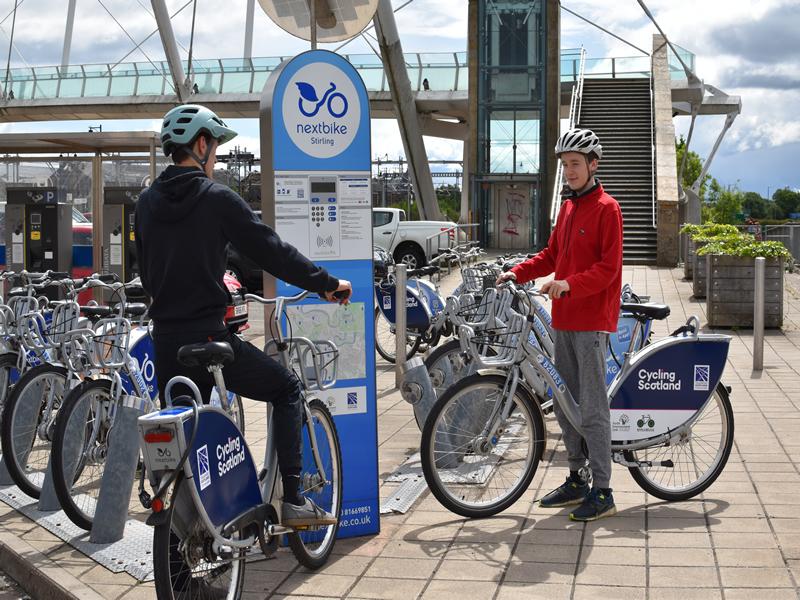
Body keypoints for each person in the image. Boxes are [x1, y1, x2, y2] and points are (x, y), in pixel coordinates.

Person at [135, 104, 352, 527]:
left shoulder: (145, 202)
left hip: (165, 343)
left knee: (182, 444)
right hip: (209, 339)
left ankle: (186, 548)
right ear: (200, 145)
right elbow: (271, 250)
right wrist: (325, 281)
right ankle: (293, 499)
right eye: (214, 148)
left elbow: (147, 273)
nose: (214, 158)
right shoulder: (216, 199)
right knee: (287, 389)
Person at [496, 128, 623, 521]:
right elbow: (552, 254)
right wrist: (516, 272)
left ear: (593, 165)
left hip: (591, 321)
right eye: (565, 164)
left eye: (575, 164)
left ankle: (603, 489)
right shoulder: (568, 207)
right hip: (563, 319)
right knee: (564, 402)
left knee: (592, 407)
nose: (569, 171)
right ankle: (576, 478)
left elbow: (608, 269)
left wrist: (568, 284)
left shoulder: (607, 208)